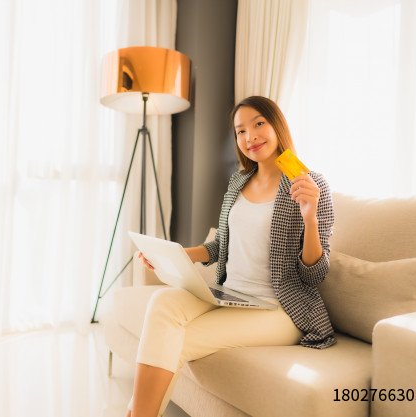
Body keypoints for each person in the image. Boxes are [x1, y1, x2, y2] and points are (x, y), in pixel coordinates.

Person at [124, 96, 336, 417]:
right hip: (231, 295)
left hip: (280, 309)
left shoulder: (309, 184)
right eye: (240, 131)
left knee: (170, 340)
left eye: (259, 124)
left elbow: (314, 274)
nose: (250, 137)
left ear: (278, 126)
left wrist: (310, 218)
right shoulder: (239, 181)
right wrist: (175, 255)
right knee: (163, 302)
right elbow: (221, 245)